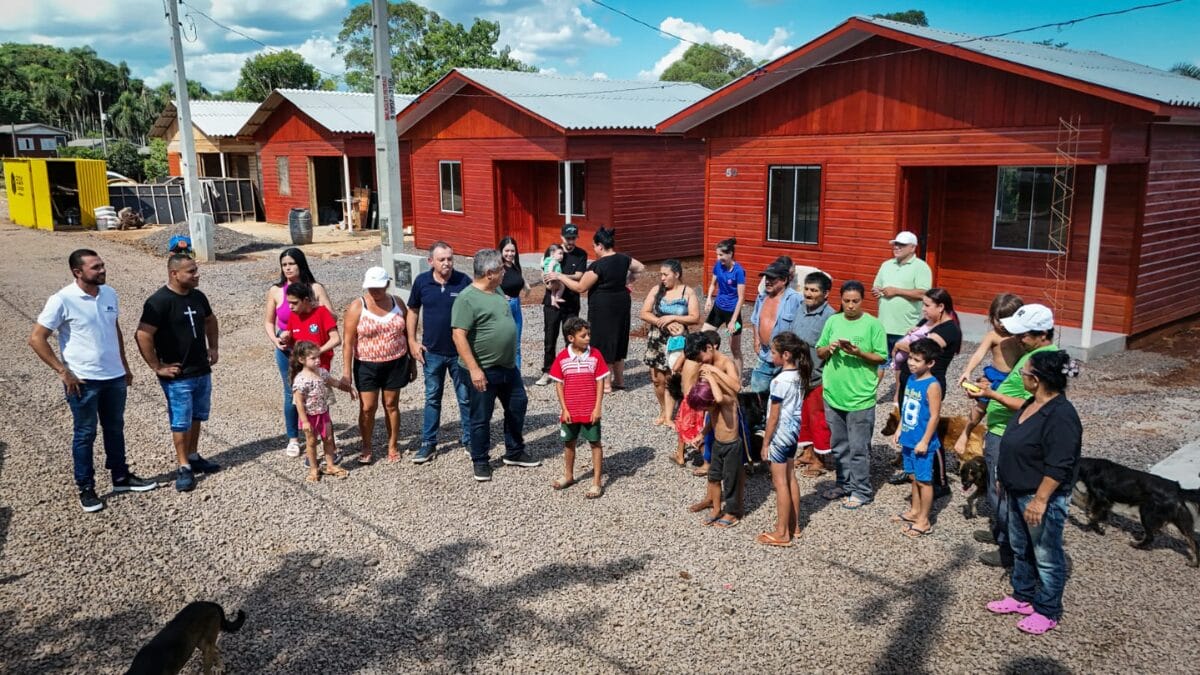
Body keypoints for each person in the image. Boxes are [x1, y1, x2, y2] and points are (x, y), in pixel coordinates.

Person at [29, 249, 157, 512]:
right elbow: (36, 338)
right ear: (78, 272)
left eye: (102, 266)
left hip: (114, 377)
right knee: (85, 434)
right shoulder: (62, 299)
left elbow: (114, 329)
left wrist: (124, 364)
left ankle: (121, 477)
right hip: (83, 381)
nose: (102, 271)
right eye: (95, 268)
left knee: (115, 428)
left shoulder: (109, 293)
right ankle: (86, 488)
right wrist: (63, 371)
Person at [987, 350, 1081, 635]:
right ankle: (1022, 595)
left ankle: (1048, 610)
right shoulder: (1032, 402)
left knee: (1046, 555)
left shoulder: (1062, 415)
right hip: (1016, 490)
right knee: (1020, 547)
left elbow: (1059, 464)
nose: (1021, 375)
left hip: (1038, 497)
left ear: (1037, 379)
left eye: (1024, 372)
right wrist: (1004, 476)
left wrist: (1040, 500)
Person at [970, 303, 1059, 568]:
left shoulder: (1045, 363)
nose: (1018, 340)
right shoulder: (1033, 352)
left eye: (1024, 335)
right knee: (998, 490)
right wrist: (990, 387)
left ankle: (1010, 549)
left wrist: (991, 395)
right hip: (1001, 429)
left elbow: (1029, 405)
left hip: (1011, 434)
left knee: (1002, 492)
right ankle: (1001, 534)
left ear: (1043, 333)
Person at [452, 249, 540, 482]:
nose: (505, 272)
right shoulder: (466, 299)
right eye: (501, 269)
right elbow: (459, 336)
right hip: (482, 369)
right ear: (489, 273)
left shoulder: (497, 289)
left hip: (507, 367)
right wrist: (474, 369)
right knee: (481, 416)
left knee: (517, 405)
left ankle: (514, 451)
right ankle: (480, 460)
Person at [135, 253, 220, 493]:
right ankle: (183, 466)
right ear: (175, 274)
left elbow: (210, 320)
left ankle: (193, 455)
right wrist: (157, 366)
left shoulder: (198, 297)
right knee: (181, 420)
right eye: (191, 271)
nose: (197, 275)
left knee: (197, 415)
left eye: (196, 270)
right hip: (178, 375)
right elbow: (143, 334)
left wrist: (213, 347)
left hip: (201, 370)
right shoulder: (160, 301)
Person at [816, 280, 887, 509]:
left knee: (858, 448)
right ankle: (844, 484)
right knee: (839, 445)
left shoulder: (873, 325)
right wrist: (830, 349)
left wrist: (859, 353)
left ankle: (862, 490)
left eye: (855, 301)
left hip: (860, 397)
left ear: (862, 300)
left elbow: (881, 357)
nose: (850, 306)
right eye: (846, 301)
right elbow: (819, 350)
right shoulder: (833, 321)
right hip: (834, 394)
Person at [548, 227, 644, 392]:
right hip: (621, 302)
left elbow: (580, 287)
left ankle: (606, 384)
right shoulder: (624, 259)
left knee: (603, 341)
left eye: (594, 246)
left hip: (603, 306)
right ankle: (619, 380)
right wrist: (628, 280)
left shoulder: (598, 265)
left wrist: (561, 276)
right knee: (620, 338)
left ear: (600, 245)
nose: (594, 250)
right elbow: (640, 268)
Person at [263, 248, 333, 458]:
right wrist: (275, 339)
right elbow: (268, 321)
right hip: (288, 349)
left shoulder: (315, 288)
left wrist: (314, 307)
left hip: (312, 349)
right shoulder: (276, 291)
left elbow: (332, 316)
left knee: (319, 389)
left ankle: (324, 432)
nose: (287, 268)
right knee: (291, 392)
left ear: (301, 265)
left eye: (291, 264)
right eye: (284, 265)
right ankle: (294, 437)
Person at [888, 288, 962, 487]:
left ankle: (939, 480)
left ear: (941, 307)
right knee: (910, 425)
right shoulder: (926, 323)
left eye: (927, 305)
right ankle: (911, 470)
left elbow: (921, 349)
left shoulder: (948, 329)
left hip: (929, 385)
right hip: (910, 381)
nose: (923, 310)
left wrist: (900, 344)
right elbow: (912, 341)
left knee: (929, 430)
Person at [407, 242, 472, 460]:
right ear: (431, 261)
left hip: (459, 353)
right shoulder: (422, 282)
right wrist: (412, 341)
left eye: (450, 259)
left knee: (465, 397)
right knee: (432, 397)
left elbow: (475, 310)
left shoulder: (463, 281)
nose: (447, 263)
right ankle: (428, 443)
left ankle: (470, 439)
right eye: (442, 259)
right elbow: (413, 311)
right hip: (431, 352)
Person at [341, 266, 410, 464]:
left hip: (395, 361)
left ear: (387, 284)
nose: (375, 291)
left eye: (379, 287)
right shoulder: (357, 306)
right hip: (367, 364)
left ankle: (393, 445)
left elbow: (406, 332)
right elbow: (348, 341)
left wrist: (411, 363)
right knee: (368, 407)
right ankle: (367, 445)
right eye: (371, 287)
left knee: (391, 405)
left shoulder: (397, 302)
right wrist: (347, 373)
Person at [683, 333, 745, 529]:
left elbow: (736, 387)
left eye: (700, 358)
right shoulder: (704, 365)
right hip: (715, 422)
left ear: (709, 348)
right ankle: (713, 503)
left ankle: (733, 510)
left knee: (732, 475)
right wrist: (702, 431)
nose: (699, 362)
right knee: (713, 472)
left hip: (729, 420)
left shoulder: (725, 362)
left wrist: (714, 373)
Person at [757, 332, 812, 547]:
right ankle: (794, 525)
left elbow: (773, 416)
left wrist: (765, 441)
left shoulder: (780, 381)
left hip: (780, 435)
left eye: (773, 352)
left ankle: (782, 533)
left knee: (779, 482)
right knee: (790, 478)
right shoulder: (800, 375)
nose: (771, 355)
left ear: (786, 355)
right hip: (793, 433)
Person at [953, 294, 1025, 457]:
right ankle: (966, 433)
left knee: (1009, 410)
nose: (1001, 325)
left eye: (1005, 320)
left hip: (1013, 379)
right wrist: (967, 370)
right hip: (995, 376)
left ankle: (994, 436)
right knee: (980, 408)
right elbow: (979, 354)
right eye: (997, 319)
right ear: (991, 317)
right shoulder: (993, 336)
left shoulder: (1021, 336)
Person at [549, 317, 609, 499]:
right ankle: (569, 474)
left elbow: (600, 382)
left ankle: (597, 481)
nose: (588, 338)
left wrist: (597, 407)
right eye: (583, 335)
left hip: (590, 409)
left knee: (595, 443)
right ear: (571, 338)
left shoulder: (595, 355)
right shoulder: (562, 358)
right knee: (569, 443)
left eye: (589, 334)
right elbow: (559, 384)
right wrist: (564, 409)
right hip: (570, 411)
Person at [890, 338, 943, 538]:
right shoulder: (911, 379)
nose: (911, 363)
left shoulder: (932, 385)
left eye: (917, 360)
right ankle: (914, 511)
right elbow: (907, 406)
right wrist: (899, 428)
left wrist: (925, 440)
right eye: (911, 358)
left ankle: (924, 520)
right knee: (912, 477)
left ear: (929, 363)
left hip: (922, 442)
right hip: (909, 438)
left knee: (924, 481)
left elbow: (935, 415)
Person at [639, 259, 700, 426]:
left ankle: (669, 415)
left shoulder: (687, 292)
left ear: (677, 274)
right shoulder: (656, 290)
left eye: (665, 275)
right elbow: (644, 312)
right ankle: (663, 409)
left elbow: (695, 317)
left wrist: (674, 318)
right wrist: (662, 321)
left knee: (671, 376)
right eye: (661, 275)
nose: (662, 278)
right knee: (657, 378)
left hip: (678, 340)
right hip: (657, 339)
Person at [872, 231, 932, 388]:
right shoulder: (886, 265)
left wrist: (896, 291)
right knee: (879, 362)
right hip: (883, 324)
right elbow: (876, 286)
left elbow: (924, 293)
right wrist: (877, 291)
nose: (896, 247)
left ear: (912, 248)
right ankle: (870, 393)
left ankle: (898, 397)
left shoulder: (921, 267)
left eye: (901, 245)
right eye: (895, 244)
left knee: (902, 365)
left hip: (905, 327)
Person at [290, 342, 356, 482]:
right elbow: (299, 403)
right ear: (302, 360)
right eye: (313, 358)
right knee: (311, 442)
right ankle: (314, 469)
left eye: (318, 357)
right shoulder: (300, 380)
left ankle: (330, 465)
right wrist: (305, 421)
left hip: (323, 413)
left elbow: (335, 383)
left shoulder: (322, 373)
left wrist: (348, 389)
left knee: (329, 439)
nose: (318, 360)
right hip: (309, 416)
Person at [793, 271, 836, 477]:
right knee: (802, 418)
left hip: (819, 377)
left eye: (814, 290)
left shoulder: (831, 317)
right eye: (807, 289)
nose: (808, 294)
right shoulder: (800, 309)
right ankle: (807, 452)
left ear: (825, 294)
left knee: (818, 419)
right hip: (799, 376)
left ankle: (820, 460)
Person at [536, 224, 589, 386]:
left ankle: (570, 370)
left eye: (573, 238)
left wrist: (559, 275)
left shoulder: (581, 254)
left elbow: (579, 275)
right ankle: (547, 371)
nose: (570, 241)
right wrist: (548, 281)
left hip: (571, 302)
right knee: (549, 337)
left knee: (571, 337)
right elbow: (544, 269)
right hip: (551, 302)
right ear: (562, 237)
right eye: (568, 238)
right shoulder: (553, 250)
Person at [749, 259, 805, 393]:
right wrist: (756, 340)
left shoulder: (796, 299)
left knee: (782, 401)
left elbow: (801, 328)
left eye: (772, 278)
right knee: (756, 399)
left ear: (784, 280)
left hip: (786, 361)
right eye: (766, 278)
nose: (767, 281)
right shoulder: (762, 297)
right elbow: (755, 320)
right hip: (764, 356)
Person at [702, 238, 746, 376]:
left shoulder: (739, 271)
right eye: (717, 255)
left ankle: (738, 379)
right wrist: (709, 298)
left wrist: (733, 321)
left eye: (721, 255)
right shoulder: (718, 265)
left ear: (730, 254)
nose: (718, 258)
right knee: (703, 337)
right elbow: (712, 284)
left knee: (734, 348)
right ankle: (708, 369)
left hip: (732, 313)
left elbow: (741, 298)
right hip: (718, 308)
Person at [283, 283, 340, 372]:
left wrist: (317, 352)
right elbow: (291, 342)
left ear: (305, 300)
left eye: (294, 303)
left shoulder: (322, 312)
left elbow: (336, 339)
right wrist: (285, 339)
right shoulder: (293, 316)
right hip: (300, 367)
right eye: (289, 303)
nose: (290, 307)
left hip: (320, 366)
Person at [498, 237, 531, 369]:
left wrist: (526, 286)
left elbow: (520, 281)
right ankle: (501, 375)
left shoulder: (516, 266)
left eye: (513, 251)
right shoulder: (498, 267)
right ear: (501, 251)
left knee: (516, 345)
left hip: (516, 305)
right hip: (503, 307)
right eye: (507, 251)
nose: (510, 254)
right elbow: (488, 285)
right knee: (503, 344)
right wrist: (499, 295)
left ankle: (516, 377)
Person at [541, 243, 565, 309]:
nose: (561, 256)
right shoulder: (554, 261)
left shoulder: (547, 260)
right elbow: (550, 268)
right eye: (559, 253)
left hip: (549, 279)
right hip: (552, 278)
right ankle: (558, 297)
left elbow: (542, 266)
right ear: (552, 254)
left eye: (562, 254)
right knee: (562, 287)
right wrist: (551, 276)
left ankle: (553, 302)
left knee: (553, 291)